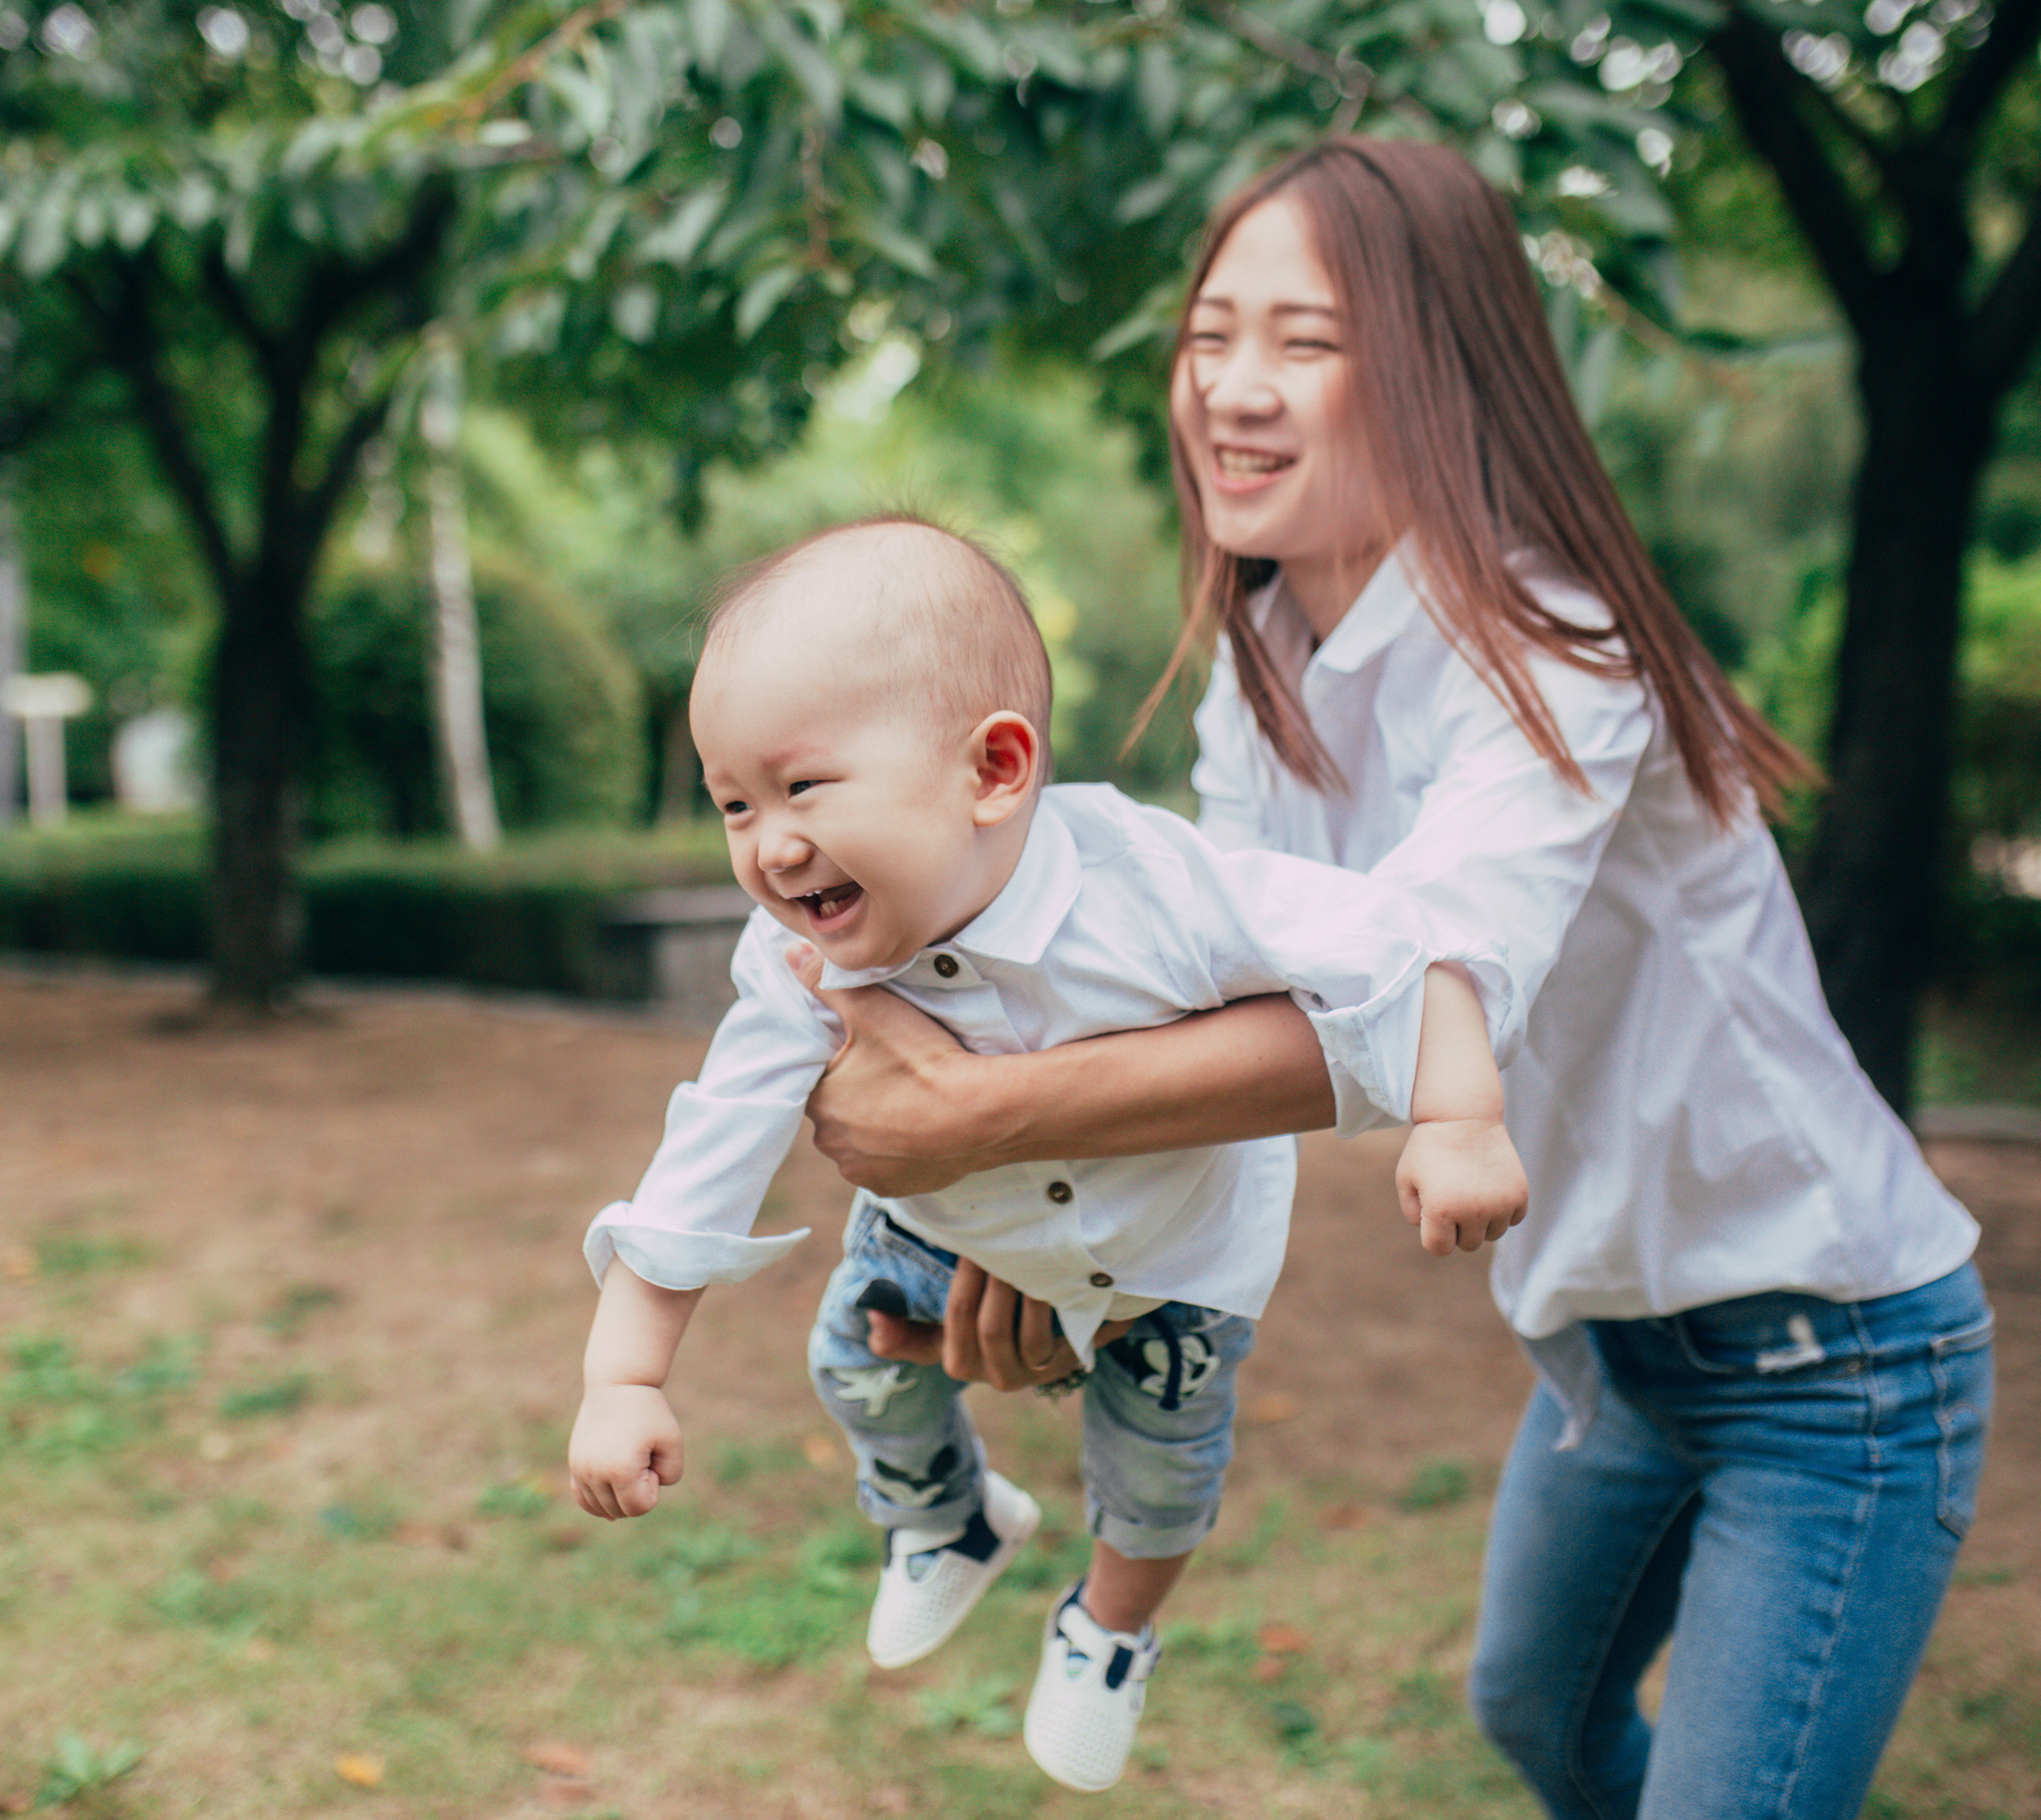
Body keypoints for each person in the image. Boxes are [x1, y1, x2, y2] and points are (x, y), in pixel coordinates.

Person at [787, 142, 1995, 1820]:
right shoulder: (1269, 660)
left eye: (1309, 341)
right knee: (1540, 1714)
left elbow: (1418, 1009)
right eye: (1213, 336)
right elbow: (1191, 1002)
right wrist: (1054, 1247)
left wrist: (976, 1114)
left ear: (1446, 373)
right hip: (1609, 1350)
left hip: (1832, 1354)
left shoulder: (1554, 652)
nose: (1236, 390)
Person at [566, 515, 1528, 1793]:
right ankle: (948, 1523)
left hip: (1171, 1263)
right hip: (939, 1236)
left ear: (996, 768)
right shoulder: (793, 963)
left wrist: (1460, 1118)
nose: (767, 844)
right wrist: (625, 1375)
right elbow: (711, 1145)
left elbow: (1402, 945)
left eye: (802, 787)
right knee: (856, 1365)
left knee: (1161, 1475)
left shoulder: (1160, 890)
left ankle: (1109, 1630)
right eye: (733, 803)